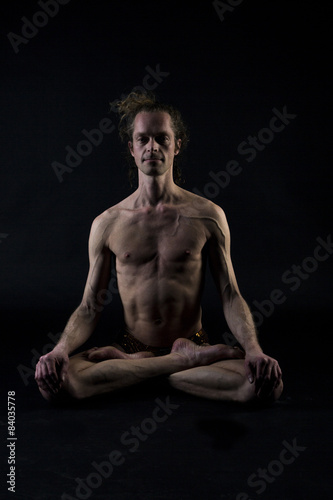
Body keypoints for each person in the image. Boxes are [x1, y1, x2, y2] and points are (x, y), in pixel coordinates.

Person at [35, 92, 283, 404]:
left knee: (266, 387)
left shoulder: (208, 216)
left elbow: (230, 295)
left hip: (192, 340)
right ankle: (178, 363)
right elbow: (89, 307)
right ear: (132, 148)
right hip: (131, 347)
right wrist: (59, 350)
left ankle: (138, 372)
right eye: (143, 139)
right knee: (54, 385)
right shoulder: (108, 223)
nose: (153, 146)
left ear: (177, 145)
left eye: (162, 138)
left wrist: (254, 351)